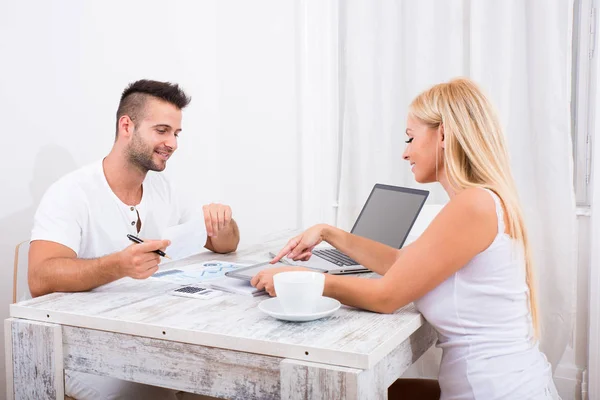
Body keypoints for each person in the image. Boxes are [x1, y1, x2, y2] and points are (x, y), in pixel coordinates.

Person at [252, 78, 561, 399]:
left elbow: (387, 296)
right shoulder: (482, 201)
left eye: (410, 138)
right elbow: (402, 264)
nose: (405, 152)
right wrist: (330, 233)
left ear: (443, 134)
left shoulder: (474, 205)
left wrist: (301, 280)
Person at [29, 79, 237, 400]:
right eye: (162, 130)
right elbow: (40, 278)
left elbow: (225, 244)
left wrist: (221, 224)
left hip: (151, 333)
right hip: (88, 351)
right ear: (127, 126)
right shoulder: (71, 192)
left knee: (224, 374)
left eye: (176, 134)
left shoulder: (162, 187)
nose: (173, 143)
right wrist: (119, 265)